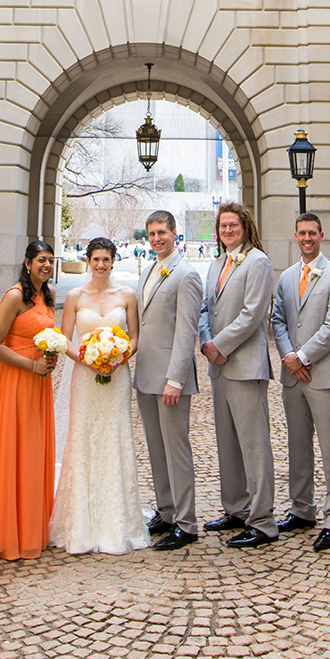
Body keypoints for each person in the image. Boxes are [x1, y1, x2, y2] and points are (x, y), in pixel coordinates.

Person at [49, 237, 149, 555]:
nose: (101, 265)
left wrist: (118, 358)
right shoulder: (76, 296)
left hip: (117, 376)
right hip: (85, 376)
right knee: (84, 438)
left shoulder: (127, 295)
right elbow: (63, 340)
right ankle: (80, 522)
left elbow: (134, 337)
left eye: (106, 259)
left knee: (114, 438)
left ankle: (117, 522)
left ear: (113, 261)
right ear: (88, 261)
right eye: (96, 260)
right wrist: (89, 360)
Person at [199, 201, 278, 548]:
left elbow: (253, 313)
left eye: (233, 225)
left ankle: (262, 521)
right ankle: (236, 508)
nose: (227, 231)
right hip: (218, 365)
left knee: (253, 444)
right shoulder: (216, 263)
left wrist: (220, 344)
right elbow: (205, 308)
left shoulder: (258, 262)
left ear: (245, 227)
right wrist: (205, 342)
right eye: (222, 226)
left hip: (245, 365)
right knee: (227, 442)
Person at [271, 212, 330, 552]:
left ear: (321, 235)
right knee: (298, 446)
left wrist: (302, 357)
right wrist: (290, 357)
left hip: (323, 375)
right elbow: (277, 320)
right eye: (302, 233)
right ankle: (301, 509)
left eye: (312, 233)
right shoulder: (287, 277)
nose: (307, 238)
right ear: (295, 236)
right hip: (294, 378)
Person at [0, 241, 57, 562]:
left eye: (50, 260)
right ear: (27, 263)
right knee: (14, 450)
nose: (46, 265)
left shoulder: (46, 295)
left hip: (39, 383)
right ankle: (8, 532)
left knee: (34, 452)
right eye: (40, 260)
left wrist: (48, 358)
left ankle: (32, 528)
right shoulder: (14, 296)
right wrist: (31, 365)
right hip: (16, 379)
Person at [133, 209, 203, 552]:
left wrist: (176, 378)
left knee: (176, 449)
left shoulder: (186, 274)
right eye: (152, 234)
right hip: (146, 374)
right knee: (156, 449)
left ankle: (187, 522)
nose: (157, 239)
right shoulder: (148, 269)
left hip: (170, 379)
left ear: (175, 233)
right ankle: (166, 510)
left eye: (162, 232)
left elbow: (186, 331)